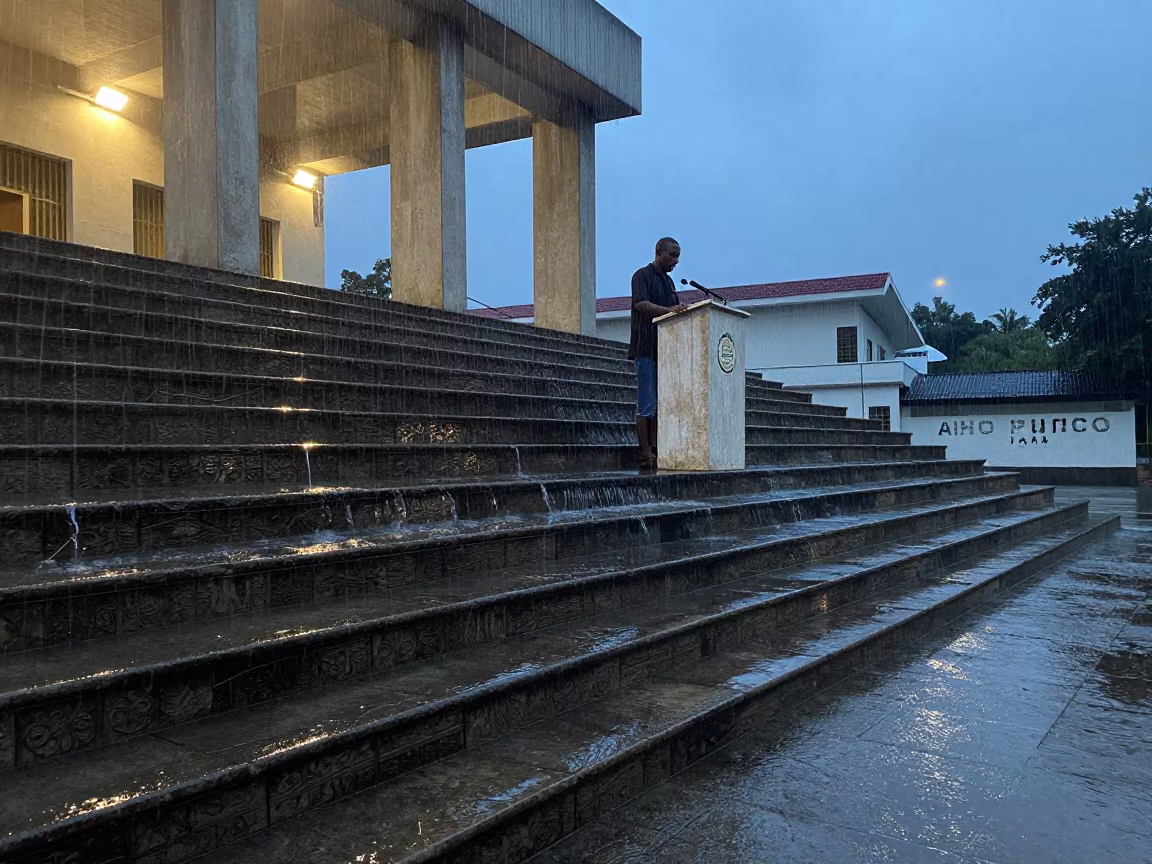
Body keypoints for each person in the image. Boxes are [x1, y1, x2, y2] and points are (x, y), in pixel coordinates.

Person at [628, 237, 685, 471]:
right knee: (647, 404)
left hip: (666, 352)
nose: (675, 261)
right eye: (672, 255)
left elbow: (675, 309)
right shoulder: (641, 276)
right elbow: (640, 304)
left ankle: (659, 449)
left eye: (678, 257)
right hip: (645, 348)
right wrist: (668, 311)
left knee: (663, 404)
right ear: (658, 252)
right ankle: (645, 453)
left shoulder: (670, 283)